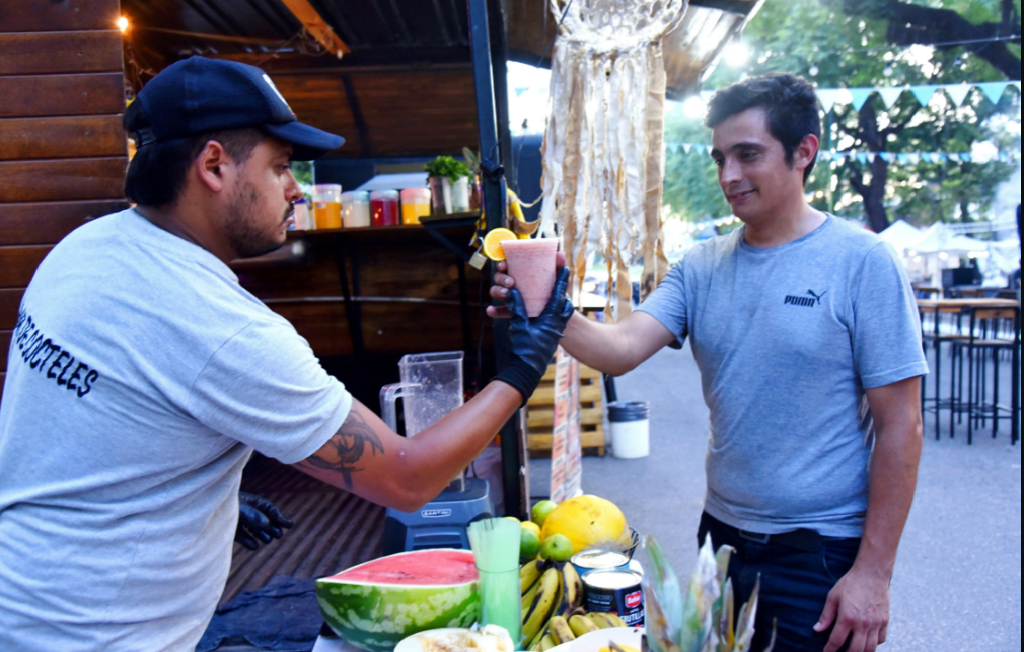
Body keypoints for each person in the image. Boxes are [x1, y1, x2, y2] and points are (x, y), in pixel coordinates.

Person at [0, 56, 573, 652]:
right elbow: (406, 479)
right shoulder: (219, 326)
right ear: (214, 165)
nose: (296, 189)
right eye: (280, 168)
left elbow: (81, 424)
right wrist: (522, 368)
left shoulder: (84, 249)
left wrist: (200, 495)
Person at [490, 73, 927, 652]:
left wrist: (873, 575)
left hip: (819, 552)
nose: (728, 176)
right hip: (719, 540)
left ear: (804, 152)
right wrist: (546, 307)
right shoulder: (701, 267)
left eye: (748, 155)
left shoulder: (863, 262)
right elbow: (619, 350)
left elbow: (903, 426)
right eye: (720, 157)